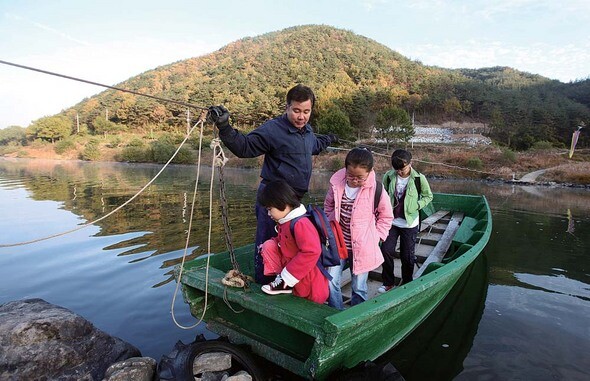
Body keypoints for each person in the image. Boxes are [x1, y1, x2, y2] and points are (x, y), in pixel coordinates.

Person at [208, 84, 338, 284]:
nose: (301, 117)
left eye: (306, 111)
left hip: (295, 203)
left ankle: (284, 284)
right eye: (296, 111)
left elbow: (316, 145)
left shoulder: (307, 132)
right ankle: (263, 286)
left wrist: (330, 138)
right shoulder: (273, 129)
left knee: (290, 246)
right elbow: (245, 147)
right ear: (287, 107)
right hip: (273, 201)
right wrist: (224, 127)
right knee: (267, 244)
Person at [323, 148, 393, 309]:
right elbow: (328, 206)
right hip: (338, 244)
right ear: (345, 169)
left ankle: (357, 314)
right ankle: (337, 311)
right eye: (351, 176)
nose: (354, 180)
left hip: (363, 246)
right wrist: (329, 225)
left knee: (359, 286)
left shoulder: (377, 190)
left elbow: (386, 216)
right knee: (330, 281)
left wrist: (377, 237)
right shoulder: (336, 185)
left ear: (369, 172)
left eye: (360, 178)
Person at [257, 180, 329, 304]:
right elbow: (283, 241)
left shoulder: (301, 223)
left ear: (283, 204)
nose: (268, 214)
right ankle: (282, 283)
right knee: (269, 245)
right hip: (296, 282)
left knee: (308, 312)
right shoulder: (285, 222)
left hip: (309, 285)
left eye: (270, 209)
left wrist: (287, 279)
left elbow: (312, 251)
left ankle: (283, 283)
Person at [379, 149, 433, 292]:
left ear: (410, 163)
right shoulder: (389, 176)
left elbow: (428, 196)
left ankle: (407, 284)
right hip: (391, 222)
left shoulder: (418, 178)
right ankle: (388, 282)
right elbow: (383, 194)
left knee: (407, 255)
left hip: (410, 223)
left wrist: (417, 205)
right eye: (396, 169)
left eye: (402, 168)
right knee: (385, 250)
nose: (399, 172)